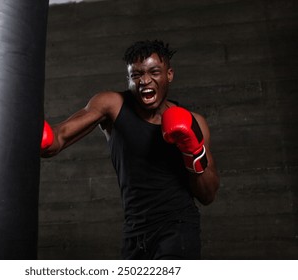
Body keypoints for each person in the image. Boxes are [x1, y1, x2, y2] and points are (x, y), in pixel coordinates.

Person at [41, 39, 219, 259]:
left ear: (169, 75)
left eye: (154, 72)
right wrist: (41, 136)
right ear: (128, 78)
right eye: (136, 75)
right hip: (134, 232)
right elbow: (57, 138)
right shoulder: (112, 105)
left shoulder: (195, 122)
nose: (145, 80)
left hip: (178, 228)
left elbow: (208, 195)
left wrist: (193, 151)